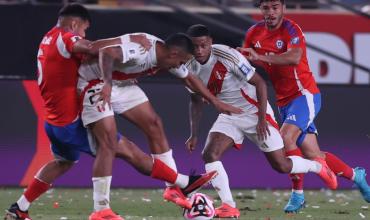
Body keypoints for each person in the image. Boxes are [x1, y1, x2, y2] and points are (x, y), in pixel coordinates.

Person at [4, 4, 215, 220]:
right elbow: (94, 48)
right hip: (69, 121)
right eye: (84, 29)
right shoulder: (66, 37)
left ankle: (19, 208)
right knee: (123, 149)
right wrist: (128, 41)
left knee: (63, 162)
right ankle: (106, 208)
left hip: (54, 119)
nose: (83, 34)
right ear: (75, 24)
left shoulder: (47, 38)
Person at [77, 32, 243, 213]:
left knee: (154, 123)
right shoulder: (142, 50)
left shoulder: (166, 56)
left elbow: (189, 78)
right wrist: (107, 83)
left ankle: (174, 188)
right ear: (173, 55)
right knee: (108, 143)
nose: (179, 66)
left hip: (119, 83)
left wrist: (215, 101)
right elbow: (107, 53)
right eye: (180, 62)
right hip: (95, 83)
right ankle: (101, 209)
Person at [184, 24, 338, 218]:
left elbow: (260, 82)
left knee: (281, 165)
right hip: (229, 116)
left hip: (255, 112)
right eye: (195, 46)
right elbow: (196, 99)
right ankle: (229, 205)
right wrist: (194, 133)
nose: (199, 50)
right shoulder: (188, 66)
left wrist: (262, 118)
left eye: (203, 45)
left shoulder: (227, 56)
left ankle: (317, 166)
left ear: (210, 43)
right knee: (209, 154)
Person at [238, 0, 370, 213]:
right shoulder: (254, 33)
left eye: (275, 7)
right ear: (260, 9)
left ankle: (297, 195)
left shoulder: (291, 29)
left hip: (305, 95)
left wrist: (260, 56)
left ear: (283, 8)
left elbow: (294, 57)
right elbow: (244, 63)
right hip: (284, 102)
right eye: (265, 8)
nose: (270, 12)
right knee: (313, 154)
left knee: (286, 138)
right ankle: (357, 176)